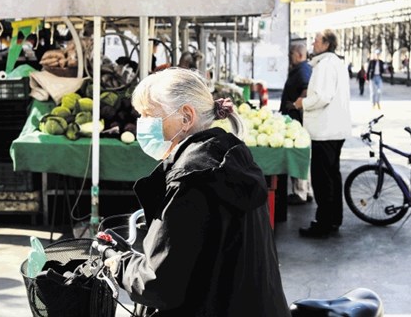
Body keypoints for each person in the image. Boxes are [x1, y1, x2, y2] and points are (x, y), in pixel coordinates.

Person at [111, 67, 290, 317]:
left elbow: (159, 285)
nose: (143, 124)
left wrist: (118, 263)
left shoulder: (189, 179)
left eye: (149, 114)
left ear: (186, 117)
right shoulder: (231, 156)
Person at [292, 30, 351, 238]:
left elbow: (323, 96)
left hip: (325, 130)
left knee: (322, 179)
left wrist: (302, 103)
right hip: (335, 129)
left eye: (316, 41)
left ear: (326, 44)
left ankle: (323, 223)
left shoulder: (325, 65)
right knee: (333, 176)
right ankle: (334, 218)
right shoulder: (335, 63)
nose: (313, 44)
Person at [279, 42, 313, 205]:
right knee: (301, 156)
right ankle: (306, 190)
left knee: (298, 155)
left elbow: (306, 91)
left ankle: (301, 192)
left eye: (291, 54)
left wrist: (295, 106)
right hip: (294, 120)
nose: (290, 57)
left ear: (299, 55)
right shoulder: (300, 69)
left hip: (297, 122)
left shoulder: (303, 70)